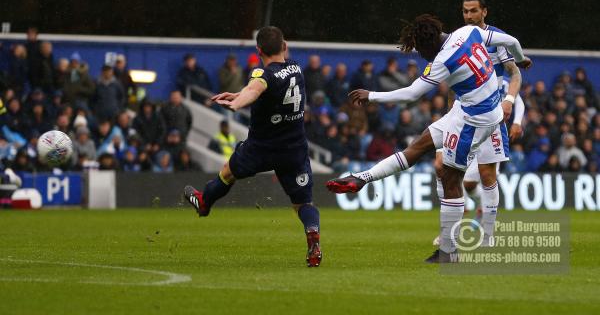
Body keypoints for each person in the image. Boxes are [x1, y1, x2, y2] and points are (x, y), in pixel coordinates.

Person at [325, 14, 531, 263]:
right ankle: (361, 178)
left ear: (428, 44)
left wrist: (372, 96)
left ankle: (449, 251)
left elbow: (411, 94)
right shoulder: (468, 32)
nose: (421, 56)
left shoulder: (443, 60)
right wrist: (520, 59)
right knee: (420, 145)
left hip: (476, 121)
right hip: (467, 108)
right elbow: (511, 40)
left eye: (420, 50)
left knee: (449, 178)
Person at [183, 26, 322, 267]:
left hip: (262, 147)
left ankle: (205, 202)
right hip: (294, 149)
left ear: (258, 50)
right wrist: (239, 94)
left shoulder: (262, 73)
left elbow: (256, 88)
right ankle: (312, 234)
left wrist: (237, 103)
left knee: (227, 173)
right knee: (303, 204)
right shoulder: (297, 68)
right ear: (284, 46)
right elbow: (260, 90)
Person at [432, 0, 526, 243]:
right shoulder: (458, 38)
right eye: (465, 11)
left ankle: (489, 232)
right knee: (442, 167)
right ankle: (449, 231)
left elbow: (515, 74)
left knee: (487, 174)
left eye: (473, 11)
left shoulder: (498, 39)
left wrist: (509, 101)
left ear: (484, 12)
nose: (469, 16)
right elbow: (452, 81)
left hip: (490, 113)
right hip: (462, 113)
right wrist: (452, 109)